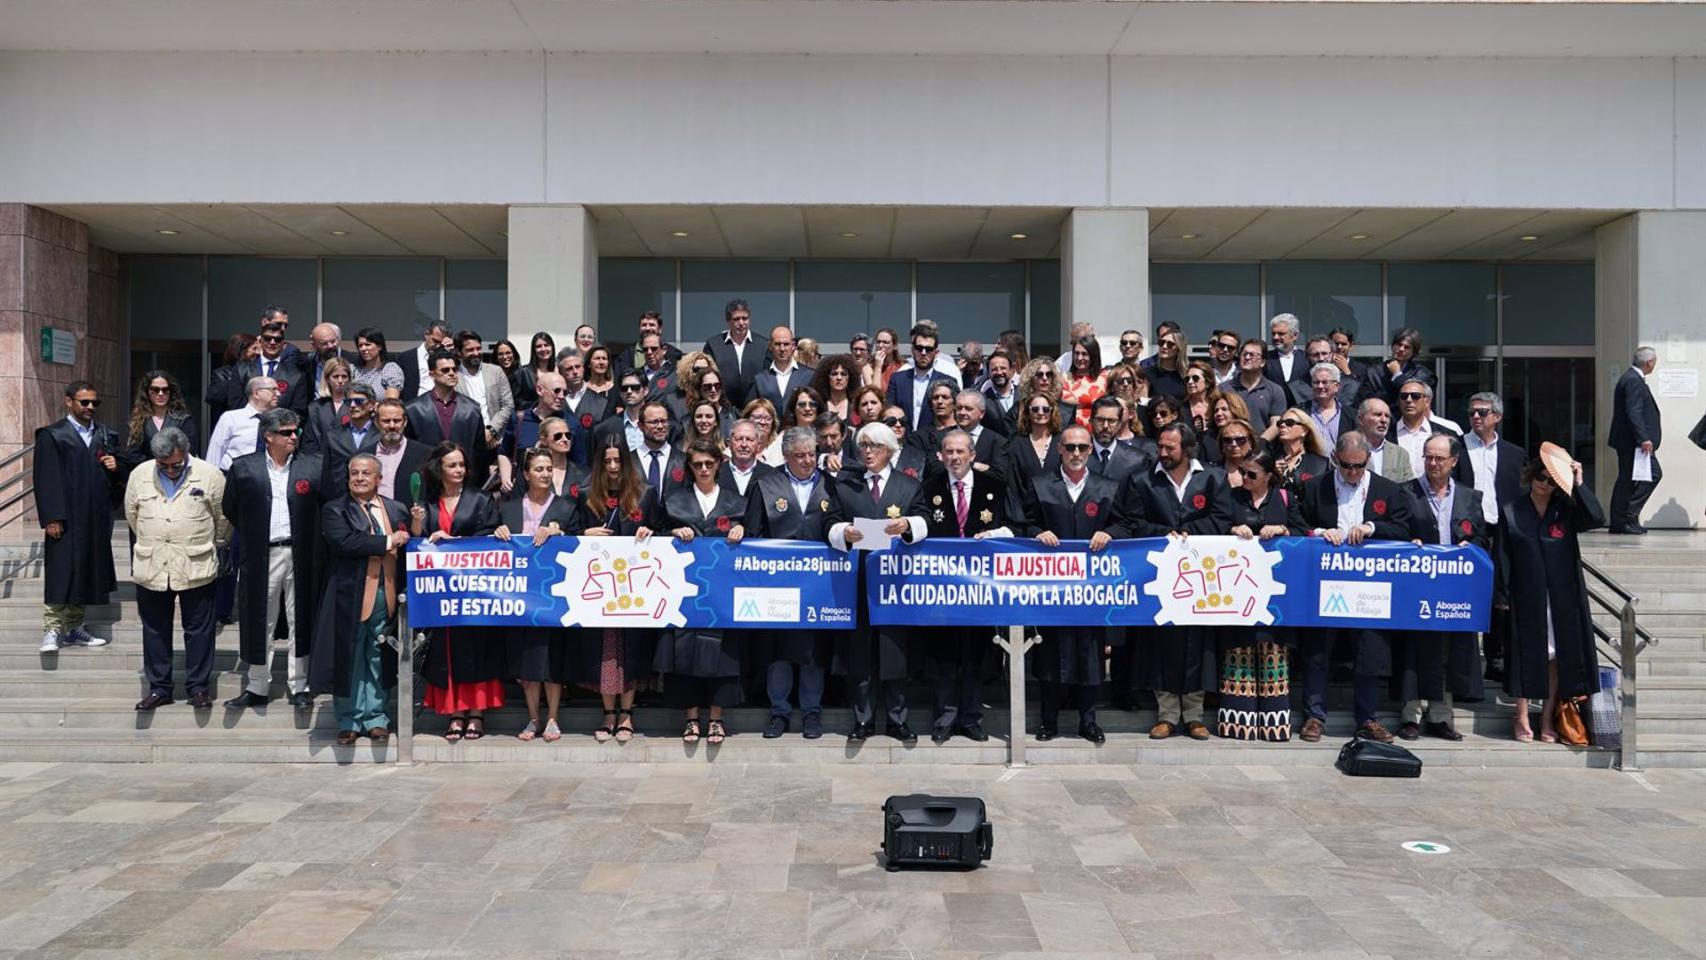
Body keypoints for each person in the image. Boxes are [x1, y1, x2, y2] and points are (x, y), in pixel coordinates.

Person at [1295, 432, 1415, 743]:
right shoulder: (1313, 487)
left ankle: (1367, 718)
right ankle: (1314, 715)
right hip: (1324, 582)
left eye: (1358, 466)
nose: (1351, 472)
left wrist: (1372, 527)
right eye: (1346, 466)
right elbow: (1295, 525)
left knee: (1370, 651)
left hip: (1369, 585)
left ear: (1368, 461)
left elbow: (1403, 527)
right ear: (1335, 458)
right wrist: (1320, 532)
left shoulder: (1387, 490)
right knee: (1318, 650)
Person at [1120, 423, 1235, 740]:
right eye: (1160, 446)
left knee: (1197, 643)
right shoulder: (1143, 479)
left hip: (1202, 574)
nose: (1163, 452)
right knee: (1163, 644)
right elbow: (1132, 521)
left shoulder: (1213, 478)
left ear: (1187, 448)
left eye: (1170, 447)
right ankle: (1167, 714)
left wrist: (1191, 534)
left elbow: (1223, 517)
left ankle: (1194, 715)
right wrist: (1161, 534)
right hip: (1161, 575)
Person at [825, 422, 929, 742]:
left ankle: (897, 720)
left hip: (894, 584)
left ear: (889, 450)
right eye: (863, 446)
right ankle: (863, 720)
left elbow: (923, 517)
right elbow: (829, 519)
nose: (867, 452)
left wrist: (908, 524)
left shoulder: (907, 486)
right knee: (861, 654)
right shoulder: (845, 483)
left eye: (874, 446)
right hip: (857, 583)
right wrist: (843, 532)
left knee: (894, 652)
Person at [640, 439, 749, 745]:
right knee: (684, 652)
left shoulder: (736, 502)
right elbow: (654, 533)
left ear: (719, 464)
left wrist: (743, 531)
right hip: (683, 593)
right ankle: (691, 719)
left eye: (709, 464)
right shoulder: (674, 500)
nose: (703, 469)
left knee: (722, 654)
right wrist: (671, 533)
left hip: (721, 593)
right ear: (689, 467)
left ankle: (716, 719)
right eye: (697, 464)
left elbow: (755, 539)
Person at [1021, 423, 1125, 742]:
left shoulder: (1109, 486)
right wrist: (1036, 532)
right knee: (1052, 654)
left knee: (1090, 655)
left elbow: (1127, 522)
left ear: (1091, 450)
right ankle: (1048, 721)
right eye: (1070, 447)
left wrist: (1112, 533)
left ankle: (1088, 721)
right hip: (1051, 587)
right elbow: (1021, 522)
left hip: (1093, 588)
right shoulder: (1040, 485)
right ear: (1059, 451)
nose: (1076, 453)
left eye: (1082, 447)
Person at [221, 407, 323, 709]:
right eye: (287, 432)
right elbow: (231, 508)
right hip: (262, 554)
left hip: (301, 553)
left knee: (299, 617)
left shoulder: (313, 466)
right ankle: (256, 686)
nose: (294, 436)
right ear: (268, 436)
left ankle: (300, 684)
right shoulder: (244, 467)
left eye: (297, 431)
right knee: (258, 619)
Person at [921, 430, 1018, 743]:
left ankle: (972, 718)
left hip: (982, 588)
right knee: (943, 656)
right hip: (943, 587)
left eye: (961, 451)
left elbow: (1016, 524)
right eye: (948, 451)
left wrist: (999, 532)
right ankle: (944, 717)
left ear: (973, 455)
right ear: (941, 455)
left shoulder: (995, 487)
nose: (954, 457)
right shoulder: (929, 487)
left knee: (976, 655)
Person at [1500, 453, 1604, 742]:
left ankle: (1547, 717)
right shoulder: (1512, 510)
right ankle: (1520, 716)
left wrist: (1579, 483)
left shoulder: (1566, 510)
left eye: (1551, 480)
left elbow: (1596, 517)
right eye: (1540, 477)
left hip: (1561, 596)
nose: (1544, 484)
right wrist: (1502, 594)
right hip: (1526, 593)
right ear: (1531, 476)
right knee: (1525, 653)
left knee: (1555, 657)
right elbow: (1503, 555)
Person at [125, 427, 230, 711]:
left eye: (176, 464)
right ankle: (159, 689)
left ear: (186, 453)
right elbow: (132, 516)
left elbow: (223, 517)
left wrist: (214, 542)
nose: (170, 470)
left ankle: (198, 688)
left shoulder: (210, 475)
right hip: (153, 564)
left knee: (199, 630)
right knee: (155, 630)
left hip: (196, 563)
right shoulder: (139, 475)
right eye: (164, 466)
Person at [311, 453, 411, 744]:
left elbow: (410, 542)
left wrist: (415, 528)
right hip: (350, 594)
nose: (359, 478)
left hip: (387, 591)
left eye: (366, 473)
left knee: (379, 655)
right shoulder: (335, 510)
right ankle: (350, 719)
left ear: (379, 479)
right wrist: (388, 541)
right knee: (351, 655)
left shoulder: (396, 508)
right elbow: (345, 541)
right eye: (354, 473)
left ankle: (377, 717)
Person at [1394, 434, 1486, 741]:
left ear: (1453, 461)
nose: (1432, 464)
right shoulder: (1407, 493)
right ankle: (1410, 715)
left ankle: (1441, 716)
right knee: (1413, 650)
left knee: (1450, 651)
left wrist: (1468, 545)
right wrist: (1409, 543)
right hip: (1416, 585)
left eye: (1439, 458)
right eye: (1428, 457)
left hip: (1454, 589)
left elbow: (1481, 538)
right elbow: (1396, 531)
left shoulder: (1470, 497)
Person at [410, 442, 504, 741]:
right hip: (441, 593)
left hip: (474, 591)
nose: (459, 470)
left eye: (462, 464)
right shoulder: (427, 502)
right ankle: (455, 712)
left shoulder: (481, 499)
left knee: (475, 649)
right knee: (445, 651)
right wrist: (417, 523)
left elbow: (489, 535)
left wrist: (454, 540)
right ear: (440, 468)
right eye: (452, 465)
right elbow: (418, 541)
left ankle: (475, 712)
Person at [745, 427, 834, 738]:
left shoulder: (830, 483)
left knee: (813, 651)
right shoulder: (766, 485)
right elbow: (753, 533)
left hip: (820, 584)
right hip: (777, 585)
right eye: (800, 455)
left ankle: (811, 712)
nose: (808, 460)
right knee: (779, 652)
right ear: (785, 456)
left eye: (812, 454)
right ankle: (779, 712)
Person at [495, 447, 581, 742]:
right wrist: (499, 532)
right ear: (526, 474)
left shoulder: (567, 507)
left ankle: (553, 718)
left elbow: (582, 543)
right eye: (539, 469)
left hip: (553, 594)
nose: (545, 474)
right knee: (525, 660)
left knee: (551, 658)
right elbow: (491, 539)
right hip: (519, 595)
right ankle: (533, 718)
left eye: (548, 469)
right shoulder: (507, 507)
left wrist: (560, 533)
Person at [573, 438, 653, 743]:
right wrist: (584, 533)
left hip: (634, 588)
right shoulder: (587, 497)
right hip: (600, 589)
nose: (613, 467)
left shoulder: (645, 496)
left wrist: (649, 531)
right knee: (606, 650)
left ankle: (627, 714)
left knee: (629, 649)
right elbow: (569, 536)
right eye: (607, 461)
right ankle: (608, 713)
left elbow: (660, 528)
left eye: (618, 461)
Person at [1220, 449, 1303, 741]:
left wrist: (1283, 528)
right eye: (1243, 471)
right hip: (1238, 590)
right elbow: (1213, 526)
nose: (1244, 477)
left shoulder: (1284, 498)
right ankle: (1237, 724)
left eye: (1252, 474)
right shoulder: (1231, 498)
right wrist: (1231, 527)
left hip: (1273, 592)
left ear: (1269, 476)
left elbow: (1303, 531)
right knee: (1239, 650)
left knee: (1273, 651)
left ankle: (1273, 725)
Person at [35, 381, 120, 653]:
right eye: (84, 402)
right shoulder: (53, 435)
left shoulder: (105, 435)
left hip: (94, 516)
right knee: (61, 571)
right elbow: (46, 478)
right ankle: (52, 629)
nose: (90, 407)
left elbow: (115, 477)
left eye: (95, 402)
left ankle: (74, 627)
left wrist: (115, 467)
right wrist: (52, 517)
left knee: (84, 569)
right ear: (68, 401)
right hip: (65, 516)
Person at [1463, 391, 1525, 682]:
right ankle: (1465, 662)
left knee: (1500, 596)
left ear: (1497, 417)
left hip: (1502, 529)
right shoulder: (1457, 447)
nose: (1476, 416)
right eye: (1472, 412)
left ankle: (1496, 656)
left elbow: (1521, 494)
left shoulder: (1514, 453)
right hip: (1467, 531)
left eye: (1483, 412)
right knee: (1466, 593)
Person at [1609, 346, 1662, 534]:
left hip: (1632, 442)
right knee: (1652, 475)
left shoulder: (1631, 378)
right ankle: (1627, 516)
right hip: (1634, 443)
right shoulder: (1633, 380)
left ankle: (1623, 521)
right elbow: (1634, 411)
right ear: (1649, 362)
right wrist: (1644, 438)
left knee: (1628, 480)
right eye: (1654, 361)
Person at [404, 350, 486, 460]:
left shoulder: (472, 409)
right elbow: (409, 450)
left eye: (454, 369)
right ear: (432, 375)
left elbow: (479, 452)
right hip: (426, 472)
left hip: (462, 473)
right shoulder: (413, 409)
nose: (451, 373)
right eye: (445, 370)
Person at [120, 370, 199, 481]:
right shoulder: (138, 421)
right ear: (147, 392)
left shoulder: (184, 420)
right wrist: (156, 464)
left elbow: (190, 451)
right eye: (155, 390)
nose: (161, 394)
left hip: (178, 476)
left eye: (165, 390)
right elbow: (132, 454)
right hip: (148, 477)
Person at [453, 331, 515, 465]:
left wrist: (491, 430)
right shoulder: (454, 376)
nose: (476, 353)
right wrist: (480, 435)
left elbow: (508, 405)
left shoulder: (495, 372)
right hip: (467, 444)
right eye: (470, 350)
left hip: (496, 442)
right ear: (459, 352)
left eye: (478, 348)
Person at [884, 324, 957, 434]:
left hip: (934, 442)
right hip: (904, 441)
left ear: (936, 353)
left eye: (928, 349)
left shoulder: (948, 381)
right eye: (919, 348)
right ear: (912, 350)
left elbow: (952, 416)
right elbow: (889, 411)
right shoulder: (897, 379)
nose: (923, 353)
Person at [205, 376, 280, 471]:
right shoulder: (231, 418)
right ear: (256, 393)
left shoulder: (278, 421)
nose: (278, 394)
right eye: (273, 390)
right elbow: (215, 453)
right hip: (233, 478)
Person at [704, 300, 765, 405]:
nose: (741, 323)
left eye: (744, 318)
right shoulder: (713, 345)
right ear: (728, 321)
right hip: (723, 406)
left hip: (755, 407)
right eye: (736, 319)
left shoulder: (763, 345)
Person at [371, 399, 430, 508]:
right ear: (376, 422)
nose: (392, 425)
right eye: (386, 421)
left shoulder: (425, 454)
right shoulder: (365, 455)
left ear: (405, 422)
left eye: (397, 420)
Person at [1005, 387, 1062, 500]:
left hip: (1059, 509)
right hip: (1027, 512)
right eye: (1035, 409)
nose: (1040, 413)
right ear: (1027, 413)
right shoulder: (1017, 445)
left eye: (1046, 409)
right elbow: (1013, 486)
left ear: (1052, 411)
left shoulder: (1063, 441)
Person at [1365, 327, 1434, 408]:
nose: (1401, 349)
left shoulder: (1422, 373)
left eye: (1406, 347)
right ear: (1392, 346)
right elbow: (1366, 399)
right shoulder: (1373, 371)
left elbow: (1414, 395)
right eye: (1399, 344)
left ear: (1414, 352)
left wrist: (1397, 375)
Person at [1230, 338, 1287, 435]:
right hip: (1231, 444)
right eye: (1244, 354)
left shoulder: (1275, 390)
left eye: (1252, 355)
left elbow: (1276, 424)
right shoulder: (1224, 388)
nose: (1247, 358)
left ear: (1263, 362)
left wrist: (1261, 444)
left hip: (1263, 446)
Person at [753, 324, 813, 413]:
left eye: (786, 344)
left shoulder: (809, 375)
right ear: (770, 346)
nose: (782, 348)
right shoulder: (760, 379)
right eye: (777, 344)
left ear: (793, 346)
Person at [1272, 407, 1332, 490]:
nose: (1282, 425)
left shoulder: (1321, 464)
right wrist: (1273, 475)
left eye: (1289, 422)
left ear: (1304, 431)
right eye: (1280, 423)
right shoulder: (1270, 461)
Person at [207, 332, 259, 427]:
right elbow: (212, 397)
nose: (257, 352)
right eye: (254, 348)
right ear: (241, 350)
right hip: (233, 424)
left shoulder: (258, 371)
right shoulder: (222, 373)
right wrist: (236, 378)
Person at [1358, 398, 1414, 484]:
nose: (1384, 420)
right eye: (1377, 414)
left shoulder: (1400, 454)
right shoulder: (1348, 448)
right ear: (1361, 419)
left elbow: (1408, 490)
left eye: (1387, 416)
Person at [303, 355, 354, 449]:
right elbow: (309, 440)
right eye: (335, 376)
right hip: (320, 458)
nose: (340, 380)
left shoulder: (355, 404)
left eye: (344, 376)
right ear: (327, 379)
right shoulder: (316, 407)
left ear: (349, 378)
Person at [1060, 335, 1107, 427]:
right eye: (1076, 353)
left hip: (1099, 432)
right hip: (1071, 432)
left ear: (1093, 355)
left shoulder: (1106, 378)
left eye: (1084, 354)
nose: (1079, 358)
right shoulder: (1063, 378)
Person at [1304, 362, 1357, 442]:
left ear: (1337, 386)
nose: (1320, 386)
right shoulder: (1301, 412)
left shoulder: (1352, 416)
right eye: (1316, 382)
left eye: (1325, 382)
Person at [399, 321, 454, 399]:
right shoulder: (405, 358)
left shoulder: (450, 358)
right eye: (435, 341)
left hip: (442, 407)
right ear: (427, 334)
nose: (437, 346)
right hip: (414, 407)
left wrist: (451, 354)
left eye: (441, 343)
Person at [718, 419, 773, 496]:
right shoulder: (716, 473)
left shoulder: (771, 475)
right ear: (729, 443)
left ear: (759, 445)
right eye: (739, 439)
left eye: (749, 440)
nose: (744, 444)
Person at [351, 327, 404, 400]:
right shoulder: (353, 370)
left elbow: (391, 402)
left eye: (367, 344)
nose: (363, 349)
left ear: (379, 346)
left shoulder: (390, 369)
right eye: (360, 346)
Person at [808, 353, 861, 424]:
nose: (839, 378)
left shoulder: (856, 406)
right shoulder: (819, 406)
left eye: (843, 374)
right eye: (834, 374)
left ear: (850, 378)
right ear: (826, 377)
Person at [978, 351, 1020, 436]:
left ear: (1012, 370)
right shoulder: (982, 400)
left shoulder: (1024, 395)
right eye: (994, 369)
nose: (999, 372)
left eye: (1003, 368)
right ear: (989, 373)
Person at [512, 331, 557, 410]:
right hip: (531, 418)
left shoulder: (559, 371)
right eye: (539, 346)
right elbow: (516, 402)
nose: (543, 349)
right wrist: (540, 404)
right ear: (534, 350)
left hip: (555, 418)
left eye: (546, 345)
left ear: (552, 347)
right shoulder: (523, 372)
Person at [1263, 313, 1308, 391]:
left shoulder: (1306, 358)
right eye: (1273, 334)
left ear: (1295, 335)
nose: (1275, 337)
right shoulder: (1266, 358)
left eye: (1281, 334)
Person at [1142, 327, 1188, 400]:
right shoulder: (1148, 373)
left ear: (1179, 349)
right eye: (1161, 342)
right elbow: (1143, 403)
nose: (1164, 346)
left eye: (1170, 344)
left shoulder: (1187, 375)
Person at [741, 397, 784, 466]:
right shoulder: (737, 445)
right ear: (747, 419)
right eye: (758, 417)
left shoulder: (780, 446)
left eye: (768, 419)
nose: (763, 422)